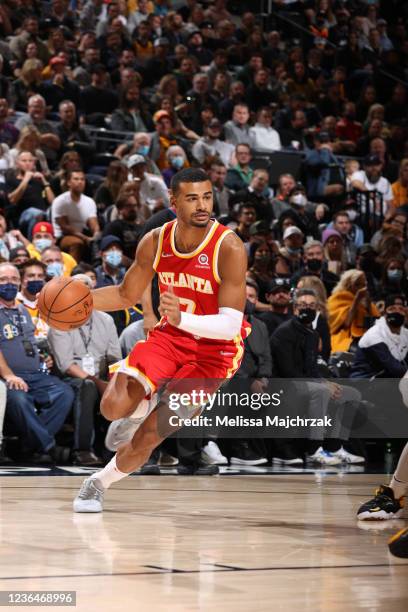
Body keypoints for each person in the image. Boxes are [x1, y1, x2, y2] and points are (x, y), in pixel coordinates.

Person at [73, 168, 250, 511]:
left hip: (217, 352)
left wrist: (184, 317)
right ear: (173, 201)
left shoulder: (229, 246)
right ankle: (141, 404)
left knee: (154, 434)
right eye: (192, 198)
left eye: (207, 196)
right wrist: (80, 300)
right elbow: (126, 295)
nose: (202, 205)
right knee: (111, 407)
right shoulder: (155, 240)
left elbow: (231, 325)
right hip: (171, 337)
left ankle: (98, 482)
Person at [270, 288, 364, 466]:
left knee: (352, 394)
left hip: (305, 382)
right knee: (321, 391)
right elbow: (288, 371)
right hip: (284, 383)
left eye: (312, 305)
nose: (308, 309)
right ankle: (314, 449)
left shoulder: (313, 334)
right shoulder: (284, 332)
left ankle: (336, 447)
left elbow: (312, 368)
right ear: (295, 308)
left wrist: (326, 382)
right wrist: (322, 385)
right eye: (303, 305)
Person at [0, 262, 73, 463]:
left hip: (36, 375)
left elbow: (27, 342)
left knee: (64, 393)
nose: (9, 284)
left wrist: (41, 356)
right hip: (8, 376)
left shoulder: (23, 310)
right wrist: (8, 375)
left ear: (20, 282)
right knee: (19, 399)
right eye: (3, 280)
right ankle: (47, 446)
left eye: (13, 279)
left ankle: (27, 445)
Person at [48, 274, 122, 467]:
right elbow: (66, 365)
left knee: (128, 386)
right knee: (88, 386)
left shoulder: (106, 320)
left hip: (102, 375)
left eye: (86, 287)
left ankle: (119, 449)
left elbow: (114, 357)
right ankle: (83, 450)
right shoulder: (59, 321)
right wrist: (99, 383)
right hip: (70, 378)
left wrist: (114, 381)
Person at [351, 294, 408, 379]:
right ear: (385, 313)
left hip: (389, 379)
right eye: (392, 309)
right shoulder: (374, 334)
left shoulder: (405, 334)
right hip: (365, 381)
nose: (397, 312)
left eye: (401, 309)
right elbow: (395, 368)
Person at [51, 169, 100, 262]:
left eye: (82, 179)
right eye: (76, 179)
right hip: (62, 237)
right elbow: (65, 227)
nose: (80, 182)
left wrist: (96, 234)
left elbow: (93, 222)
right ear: (69, 182)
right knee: (77, 243)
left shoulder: (89, 201)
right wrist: (85, 238)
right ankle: (73, 270)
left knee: (101, 239)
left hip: (84, 235)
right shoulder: (60, 201)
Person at [328, 269, 380, 353]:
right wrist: (356, 300)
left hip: (366, 337)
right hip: (345, 337)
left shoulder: (366, 300)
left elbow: (375, 323)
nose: (361, 288)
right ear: (348, 285)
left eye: (364, 285)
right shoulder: (337, 298)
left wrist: (368, 306)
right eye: (357, 285)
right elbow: (346, 323)